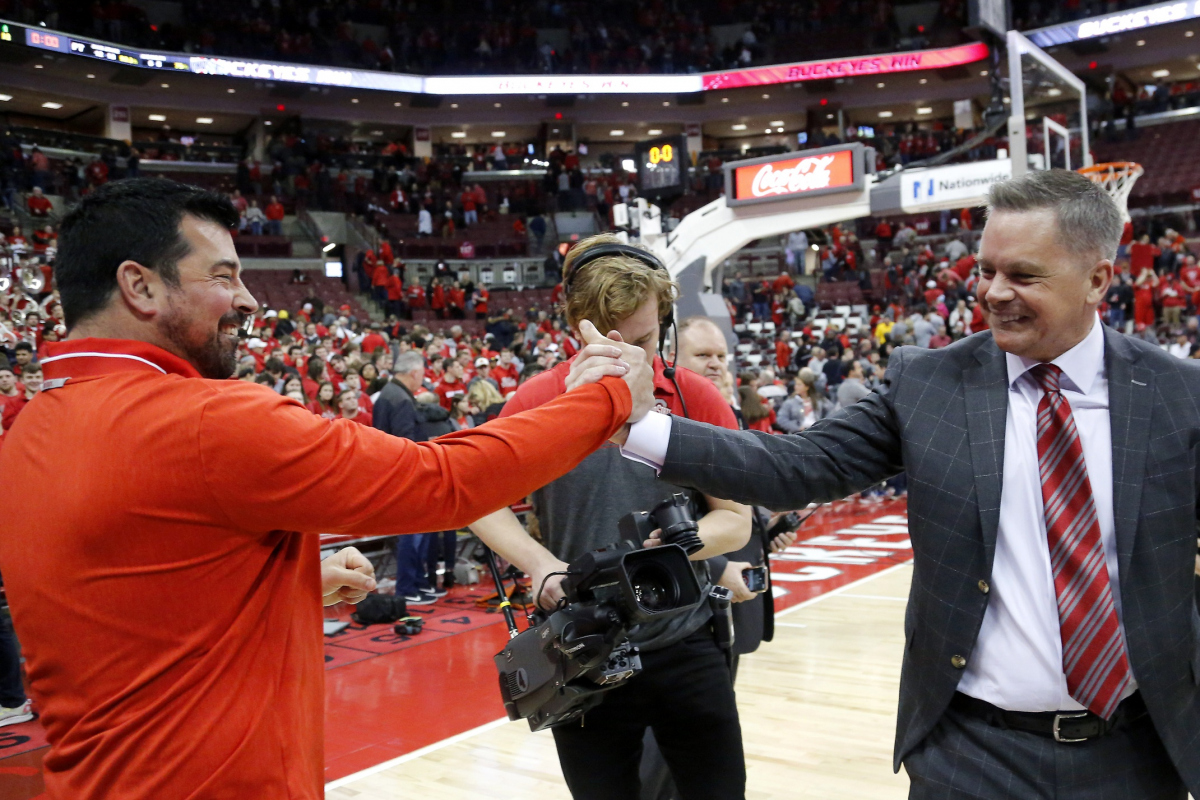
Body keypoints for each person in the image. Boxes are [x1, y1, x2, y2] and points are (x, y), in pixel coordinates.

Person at [0, 178, 655, 799]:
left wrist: (291, 582)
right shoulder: (204, 422)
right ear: (140, 286)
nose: (250, 301)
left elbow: (130, 600)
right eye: (224, 276)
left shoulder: (30, 432)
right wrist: (608, 398)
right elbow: (446, 480)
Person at [611, 170, 1199, 799]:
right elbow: (797, 466)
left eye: (1023, 275)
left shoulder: (1179, 396)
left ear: (1098, 280)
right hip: (971, 753)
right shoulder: (928, 384)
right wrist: (640, 424)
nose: (995, 293)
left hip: (1138, 751)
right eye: (985, 271)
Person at [468, 234, 752, 800]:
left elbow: (736, 521)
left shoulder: (697, 397)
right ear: (577, 328)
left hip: (686, 641)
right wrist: (539, 561)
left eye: (644, 341)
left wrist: (670, 549)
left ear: (666, 323)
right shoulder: (538, 400)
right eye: (611, 341)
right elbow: (475, 497)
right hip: (583, 649)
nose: (629, 360)